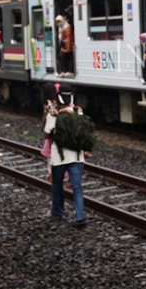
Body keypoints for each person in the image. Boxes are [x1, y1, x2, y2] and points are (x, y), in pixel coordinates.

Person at [44, 83, 87, 225]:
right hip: (77, 156)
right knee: (77, 187)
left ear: (59, 96)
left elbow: (47, 133)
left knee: (57, 185)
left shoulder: (54, 112)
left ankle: (58, 213)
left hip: (59, 157)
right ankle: (80, 216)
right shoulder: (78, 111)